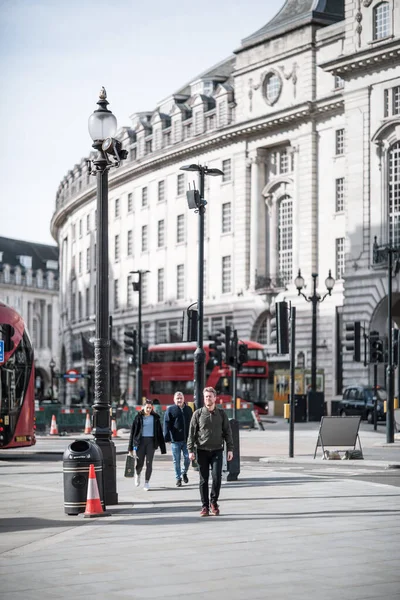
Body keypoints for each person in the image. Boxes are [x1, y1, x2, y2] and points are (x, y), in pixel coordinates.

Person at [187, 387, 233, 517]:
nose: (208, 398)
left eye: (210, 396)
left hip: (217, 450)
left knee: (217, 477)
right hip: (202, 451)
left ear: (215, 398)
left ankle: (214, 502)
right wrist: (190, 450)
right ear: (204, 398)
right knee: (203, 480)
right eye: (206, 396)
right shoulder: (198, 414)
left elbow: (228, 433)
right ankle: (205, 506)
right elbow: (191, 434)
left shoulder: (222, 414)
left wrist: (230, 449)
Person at [128, 399, 166, 490]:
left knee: (149, 463)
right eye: (147, 407)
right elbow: (132, 433)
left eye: (150, 408)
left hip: (151, 443)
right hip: (140, 443)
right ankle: (138, 474)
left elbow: (160, 433)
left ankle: (146, 482)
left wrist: (162, 448)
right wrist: (130, 448)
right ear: (143, 407)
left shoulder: (155, 418)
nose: (148, 409)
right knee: (140, 463)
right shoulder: (138, 418)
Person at [163, 391, 193, 487]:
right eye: (177, 398)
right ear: (174, 400)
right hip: (175, 440)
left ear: (184, 399)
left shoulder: (188, 409)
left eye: (181, 398)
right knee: (176, 460)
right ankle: (178, 478)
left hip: (187, 440)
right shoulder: (170, 410)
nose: (179, 400)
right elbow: (166, 424)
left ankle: (184, 472)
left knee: (188, 458)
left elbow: (193, 424)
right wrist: (166, 437)